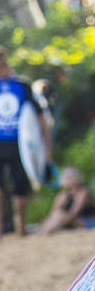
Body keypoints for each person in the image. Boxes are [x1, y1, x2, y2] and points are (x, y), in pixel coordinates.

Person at [0, 47, 51, 238]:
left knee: (19, 188)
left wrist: (46, 152)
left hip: (19, 145)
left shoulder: (22, 85)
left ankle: (20, 231)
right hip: (5, 144)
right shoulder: (21, 85)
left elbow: (39, 120)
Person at [38, 166, 95, 234]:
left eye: (68, 177)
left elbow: (74, 213)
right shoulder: (64, 194)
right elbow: (53, 212)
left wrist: (60, 220)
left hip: (89, 221)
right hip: (74, 221)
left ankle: (44, 231)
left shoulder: (83, 193)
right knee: (57, 214)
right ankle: (43, 231)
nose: (64, 179)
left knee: (59, 216)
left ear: (75, 178)